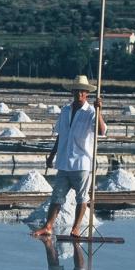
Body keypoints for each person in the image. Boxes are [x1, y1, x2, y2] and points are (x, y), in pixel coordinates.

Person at [32, 75, 106, 237]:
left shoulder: (91, 112)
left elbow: (101, 131)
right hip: (64, 162)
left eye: (82, 91)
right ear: (72, 92)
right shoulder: (65, 110)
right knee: (57, 196)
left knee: (82, 198)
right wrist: (52, 155)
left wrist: (99, 111)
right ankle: (48, 226)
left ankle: (76, 228)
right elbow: (61, 135)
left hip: (82, 163)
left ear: (87, 93)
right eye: (76, 91)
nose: (79, 94)